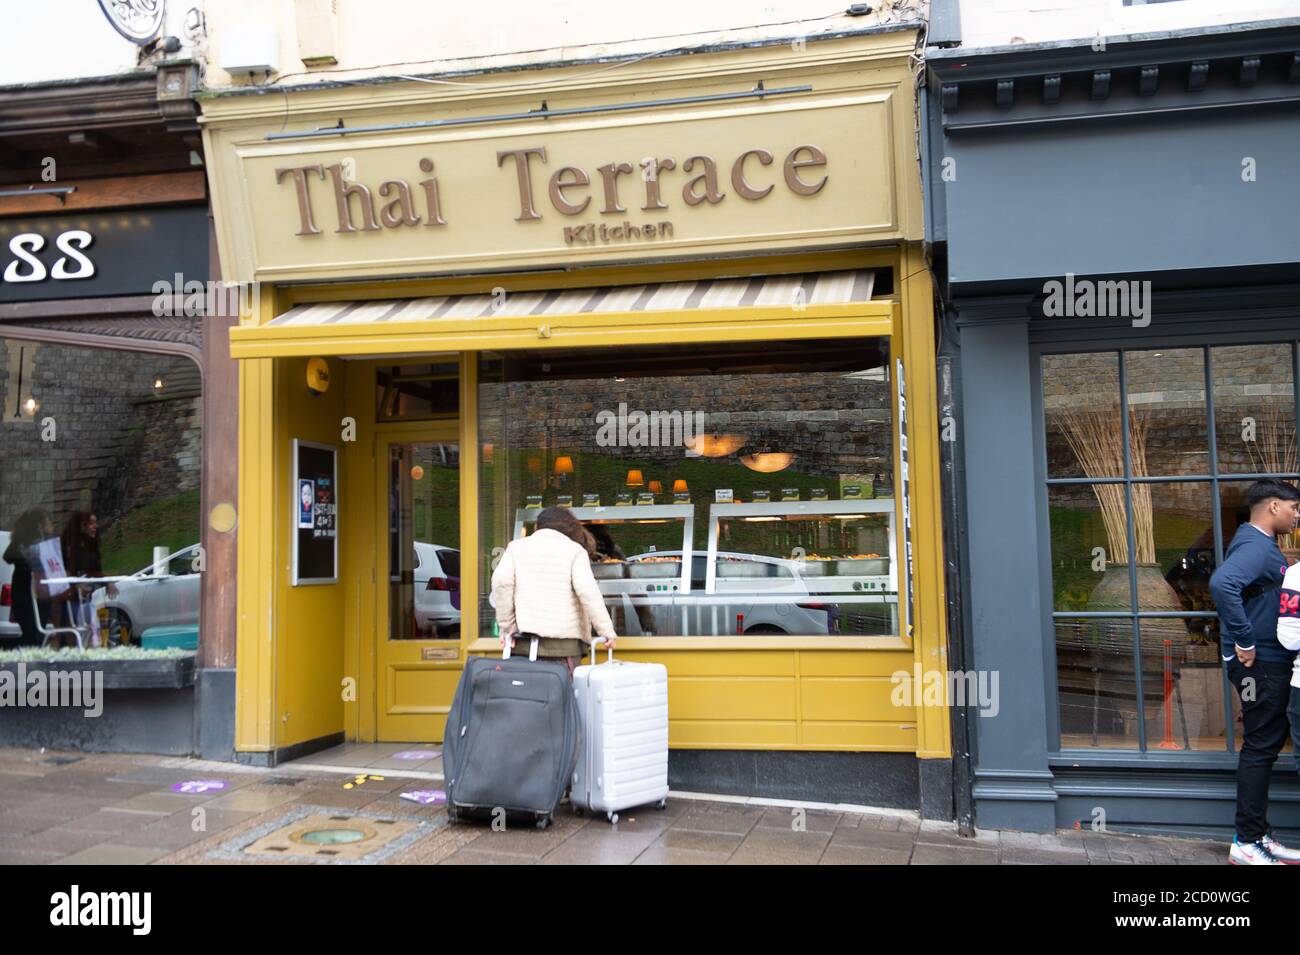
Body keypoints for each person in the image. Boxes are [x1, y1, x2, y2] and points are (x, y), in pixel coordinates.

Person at [1209, 479, 1300, 864]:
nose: (1298, 515)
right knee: (1261, 746)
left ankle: (1257, 836)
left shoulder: (1262, 544)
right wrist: (1243, 641)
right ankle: (1246, 843)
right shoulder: (1254, 544)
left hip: (1267, 664)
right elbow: (1222, 583)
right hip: (1257, 665)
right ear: (1274, 506)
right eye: (1295, 508)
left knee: (1265, 744)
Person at [491, 506, 617, 675]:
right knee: (563, 698)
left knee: (524, 697)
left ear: (538, 526)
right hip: (565, 650)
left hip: (524, 646)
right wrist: (606, 632)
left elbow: (501, 582)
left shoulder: (516, 547)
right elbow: (588, 593)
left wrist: (508, 628)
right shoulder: (575, 551)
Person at [2, 507, 72, 647]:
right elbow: (9, 557)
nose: (52, 526)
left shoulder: (44, 543)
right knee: (32, 632)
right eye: (49, 522)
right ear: (40, 525)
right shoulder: (26, 544)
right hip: (27, 592)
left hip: (37, 592)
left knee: (36, 633)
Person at [61, 511, 113, 647]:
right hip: (71, 597)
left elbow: (95, 570)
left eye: (95, 523)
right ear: (82, 526)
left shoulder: (91, 547)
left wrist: (107, 582)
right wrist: (77, 585)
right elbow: (64, 572)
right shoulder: (69, 548)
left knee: (89, 629)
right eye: (91, 523)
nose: (95, 526)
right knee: (74, 628)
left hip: (86, 597)